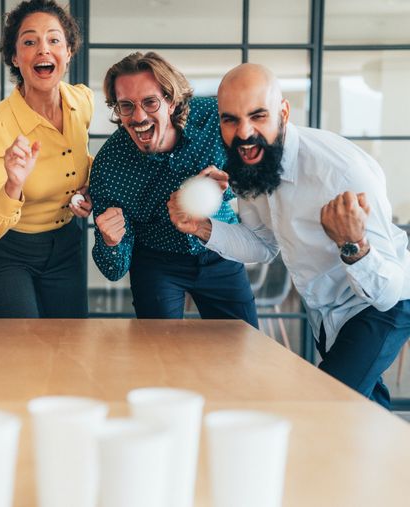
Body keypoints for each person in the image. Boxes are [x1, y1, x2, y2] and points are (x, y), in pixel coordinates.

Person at [168, 63, 410, 409]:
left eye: (258, 116)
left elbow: (388, 290)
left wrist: (354, 246)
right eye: (231, 119)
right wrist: (202, 228)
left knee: (323, 404)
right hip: (327, 310)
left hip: (378, 306)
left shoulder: (340, 171)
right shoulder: (249, 166)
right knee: (365, 412)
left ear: (283, 112)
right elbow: (263, 246)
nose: (244, 132)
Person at [90, 51, 258, 326]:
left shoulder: (215, 120)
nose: (139, 116)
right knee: (158, 355)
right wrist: (110, 242)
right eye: (126, 106)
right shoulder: (109, 167)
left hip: (220, 248)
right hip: (157, 263)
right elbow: (113, 270)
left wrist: (230, 185)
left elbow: (256, 169)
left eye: (150, 102)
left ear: (171, 101)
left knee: (243, 345)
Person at [0, 0, 93, 318]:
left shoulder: (82, 101)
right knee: (23, 351)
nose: (44, 50)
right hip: (9, 253)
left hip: (66, 245)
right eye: (29, 41)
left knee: (70, 347)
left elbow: (83, 157)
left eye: (54, 40)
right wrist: (14, 182)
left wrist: (89, 188)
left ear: (68, 52)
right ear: (15, 57)